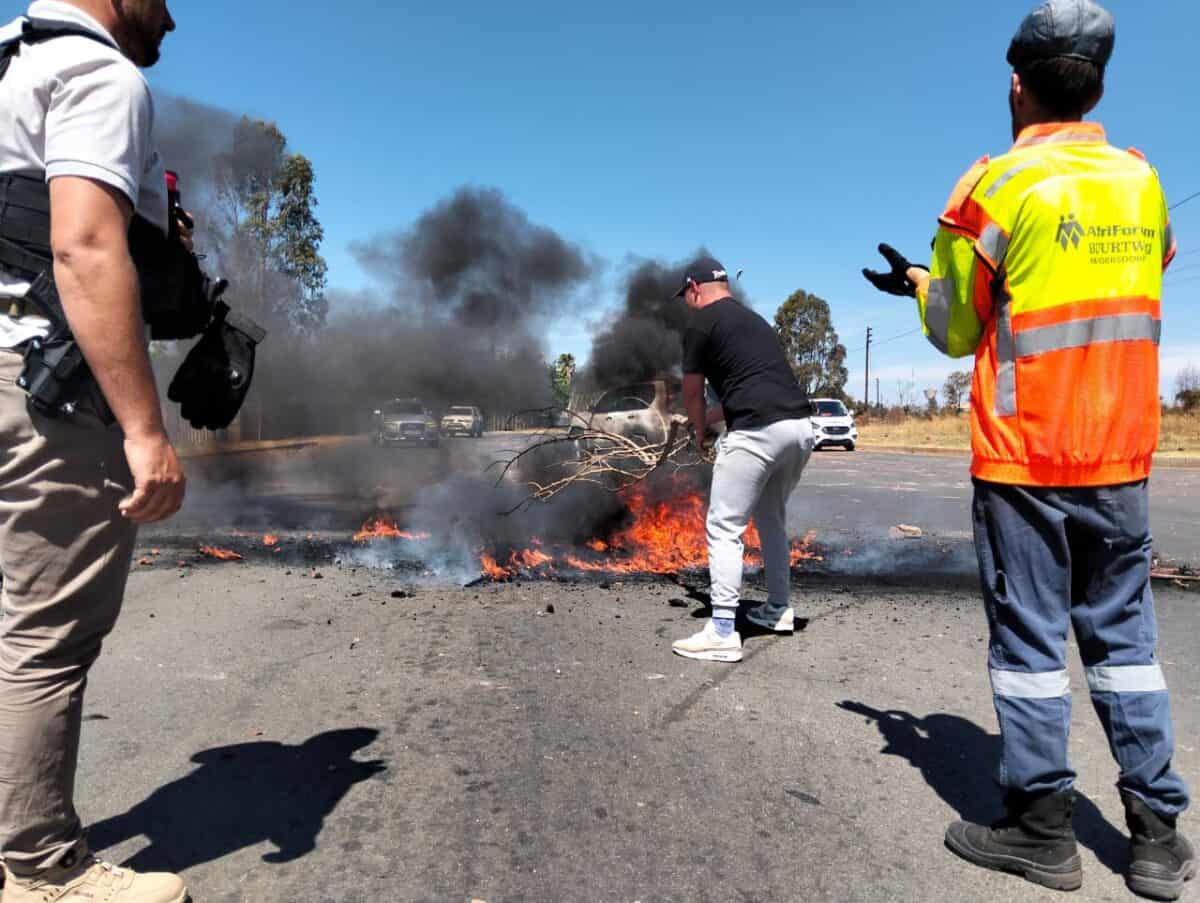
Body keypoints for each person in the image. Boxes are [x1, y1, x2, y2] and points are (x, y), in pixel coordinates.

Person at [863, 1, 1193, 898]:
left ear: (1017, 85)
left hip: (1028, 459)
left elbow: (954, 328)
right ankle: (1158, 836)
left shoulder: (995, 185)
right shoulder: (1143, 181)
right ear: (1098, 87)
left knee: (1031, 644)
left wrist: (922, 281)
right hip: (1120, 450)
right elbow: (1144, 268)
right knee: (1127, 642)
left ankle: (1043, 830)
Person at [0, 1, 190, 901]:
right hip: (43, 391)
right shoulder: (98, 72)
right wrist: (145, 432)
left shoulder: (10, 62)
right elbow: (82, 246)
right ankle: (39, 868)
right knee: (45, 635)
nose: (171, 18)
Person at [670, 256, 815, 663]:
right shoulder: (753, 321)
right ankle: (779, 609)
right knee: (771, 519)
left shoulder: (701, 323)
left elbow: (693, 392)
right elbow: (749, 391)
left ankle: (721, 631)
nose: (687, 304)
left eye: (685, 296)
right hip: (799, 428)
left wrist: (699, 431)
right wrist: (708, 419)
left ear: (694, 288)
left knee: (723, 527)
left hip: (757, 433)